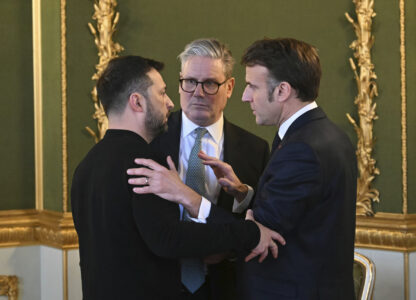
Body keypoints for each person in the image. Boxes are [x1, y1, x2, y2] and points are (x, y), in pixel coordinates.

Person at [131, 38, 357, 300]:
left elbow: (259, 235)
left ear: (282, 91)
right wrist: (246, 196)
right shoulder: (318, 136)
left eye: (252, 86)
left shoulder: (290, 148)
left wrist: (188, 197)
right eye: (189, 82)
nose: (246, 96)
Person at [71, 55, 284, 300]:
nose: (170, 103)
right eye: (162, 93)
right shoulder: (145, 163)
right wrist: (250, 233)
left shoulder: (86, 166)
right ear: (137, 102)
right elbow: (168, 238)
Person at [149, 38, 270, 299]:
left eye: (210, 84)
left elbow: (261, 223)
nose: (198, 92)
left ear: (230, 87)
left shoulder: (255, 149)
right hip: (161, 282)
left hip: (227, 287)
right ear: (180, 82)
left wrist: (241, 197)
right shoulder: (149, 141)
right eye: (190, 82)